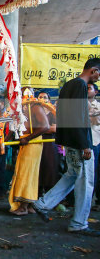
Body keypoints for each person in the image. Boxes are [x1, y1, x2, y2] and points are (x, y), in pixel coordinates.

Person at [33, 58, 100, 236]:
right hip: (80, 143)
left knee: (71, 176)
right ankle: (79, 223)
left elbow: (64, 114)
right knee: (85, 182)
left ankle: (42, 204)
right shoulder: (80, 86)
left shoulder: (70, 84)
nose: (98, 78)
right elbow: (79, 116)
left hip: (71, 142)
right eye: (99, 73)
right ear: (93, 70)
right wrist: (85, 144)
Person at [8, 87, 49, 215]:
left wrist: (28, 138)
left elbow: (45, 126)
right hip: (26, 143)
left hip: (33, 143)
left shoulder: (35, 106)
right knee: (27, 172)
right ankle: (30, 205)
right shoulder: (22, 108)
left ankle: (23, 206)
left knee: (27, 173)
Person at [37, 91, 59, 195]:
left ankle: (50, 196)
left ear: (49, 100)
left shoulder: (53, 113)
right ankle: (37, 194)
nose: (42, 99)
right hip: (36, 144)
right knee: (38, 169)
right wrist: (45, 128)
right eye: (40, 97)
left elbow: (54, 129)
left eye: (45, 97)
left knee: (50, 168)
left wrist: (38, 129)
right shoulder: (34, 112)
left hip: (50, 145)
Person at [88, 83, 100, 206]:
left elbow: (96, 121)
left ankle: (91, 199)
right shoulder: (78, 105)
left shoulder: (98, 106)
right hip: (81, 143)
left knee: (93, 171)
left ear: (96, 92)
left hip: (95, 142)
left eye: (89, 88)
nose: (86, 90)